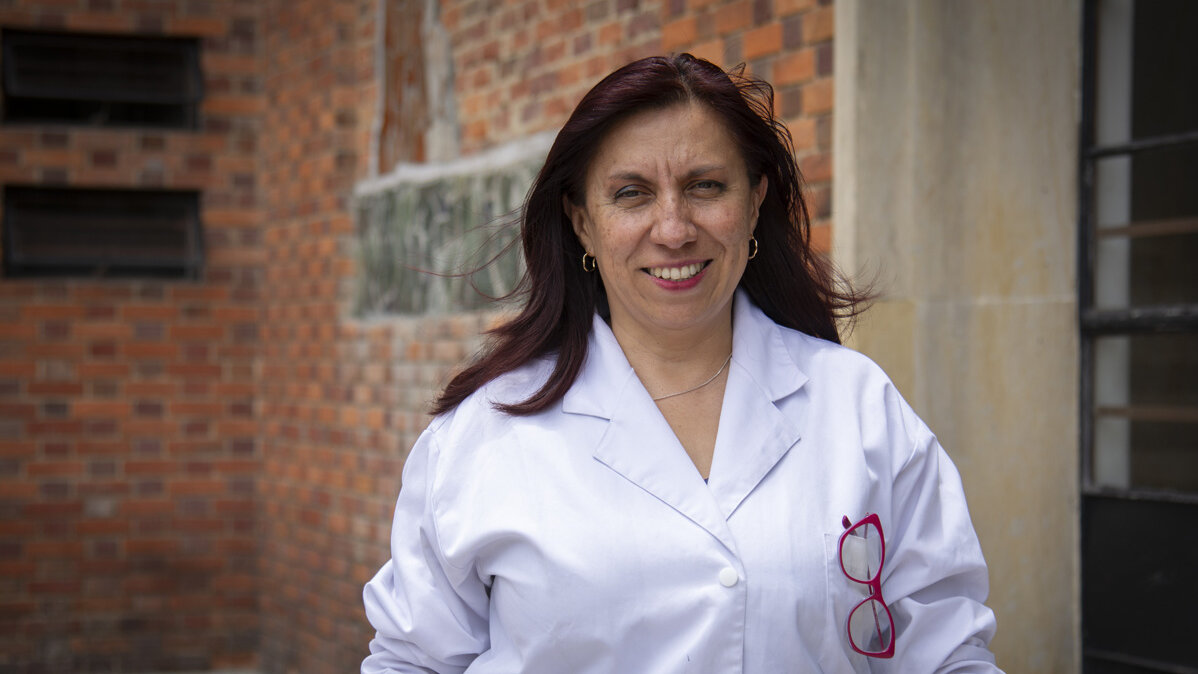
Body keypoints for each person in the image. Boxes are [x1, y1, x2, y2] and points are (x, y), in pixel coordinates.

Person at [362, 54, 1001, 673]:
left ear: (754, 203)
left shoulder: (858, 408)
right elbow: (411, 662)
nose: (672, 229)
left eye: (705, 186)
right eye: (632, 194)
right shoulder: (485, 437)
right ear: (582, 223)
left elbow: (947, 654)